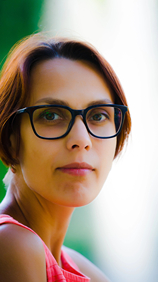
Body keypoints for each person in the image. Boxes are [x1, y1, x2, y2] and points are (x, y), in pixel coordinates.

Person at [0, 33, 131, 282]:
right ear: (11, 138)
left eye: (98, 115)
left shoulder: (69, 262)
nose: (81, 139)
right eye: (51, 116)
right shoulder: (12, 244)